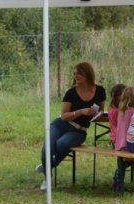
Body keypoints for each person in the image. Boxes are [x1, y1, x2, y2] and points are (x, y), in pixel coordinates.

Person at [36, 62, 105, 191]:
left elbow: (101, 110)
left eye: (79, 73)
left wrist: (98, 114)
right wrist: (81, 112)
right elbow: (64, 117)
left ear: (87, 74)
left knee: (61, 144)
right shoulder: (71, 92)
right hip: (60, 125)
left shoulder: (100, 91)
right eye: (74, 73)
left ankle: (48, 166)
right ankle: (47, 177)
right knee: (47, 149)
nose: (76, 76)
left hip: (79, 131)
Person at [108, 84, 126, 190]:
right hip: (119, 140)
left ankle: (116, 181)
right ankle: (117, 182)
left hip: (115, 139)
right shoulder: (118, 111)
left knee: (123, 161)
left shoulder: (112, 108)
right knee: (124, 161)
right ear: (119, 96)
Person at [115, 86, 134, 190]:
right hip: (128, 144)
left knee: (121, 163)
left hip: (119, 143)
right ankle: (118, 183)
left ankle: (118, 183)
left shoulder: (121, 109)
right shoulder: (132, 111)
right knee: (125, 161)